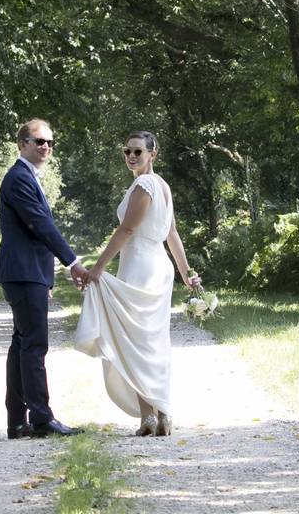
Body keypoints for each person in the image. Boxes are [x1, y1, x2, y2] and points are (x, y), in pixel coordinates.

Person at [75, 131, 201, 436]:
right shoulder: (163, 186)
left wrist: (98, 267)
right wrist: (185, 272)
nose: (131, 156)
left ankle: (150, 415)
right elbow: (171, 233)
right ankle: (161, 413)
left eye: (138, 152)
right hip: (158, 266)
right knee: (151, 340)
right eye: (127, 151)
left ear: (152, 154)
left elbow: (129, 229)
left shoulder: (145, 185)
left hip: (143, 267)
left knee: (138, 341)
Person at [0, 118, 88, 439]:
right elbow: (39, 225)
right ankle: (41, 418)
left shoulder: (27, 177)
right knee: (34, 345)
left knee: (22, 345)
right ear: (22, 144)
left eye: (50, 142)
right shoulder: (18, 178)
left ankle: (17, 421)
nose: (46, 146)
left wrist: (45, 279)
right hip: (22, 273)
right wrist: (72, 262)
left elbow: (34, 230)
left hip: (27, 273)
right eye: (39, 141)